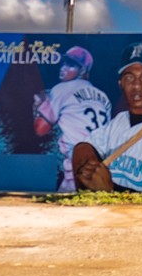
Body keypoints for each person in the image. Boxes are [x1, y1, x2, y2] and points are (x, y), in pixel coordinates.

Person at [73, 41, 142, 193]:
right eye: (129, 78)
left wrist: (110, 190)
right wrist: (88, 170)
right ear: (120, 83)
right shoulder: (120, 121)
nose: (137, 86)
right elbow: (83, 147)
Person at [33, 45, 112, 192]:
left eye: (70, 65)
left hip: (78, 169)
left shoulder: (61, 89)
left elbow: (40, 129)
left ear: (82, 71)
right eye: (63, 63)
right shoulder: (103, 97)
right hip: (102, 169)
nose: (63, 68)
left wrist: (40, 105)